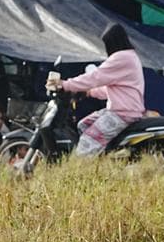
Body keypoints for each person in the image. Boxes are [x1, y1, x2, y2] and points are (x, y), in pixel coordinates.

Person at [48, 23, 145, 157]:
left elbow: (95, 77)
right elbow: (111, 89)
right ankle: (104, 159)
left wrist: (65, 84)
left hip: (122, 114)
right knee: (83, 125)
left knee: (86, 144)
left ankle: (85, 170)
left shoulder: (122, 58)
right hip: (120, 110)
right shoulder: (130, 57)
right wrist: (89, 92)